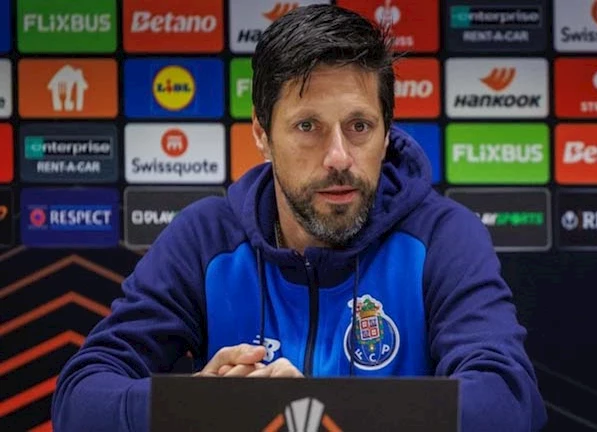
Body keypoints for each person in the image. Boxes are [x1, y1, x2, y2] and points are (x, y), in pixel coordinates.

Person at [51, 4, 547, 431]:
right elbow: (80, 398)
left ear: (387, 133)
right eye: (308, 126)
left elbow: (507, 402)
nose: (338, 156)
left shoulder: (441, 236)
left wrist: (302, 408)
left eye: (359, 126)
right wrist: (203, 403)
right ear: (262, 134)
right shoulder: (207, 238)